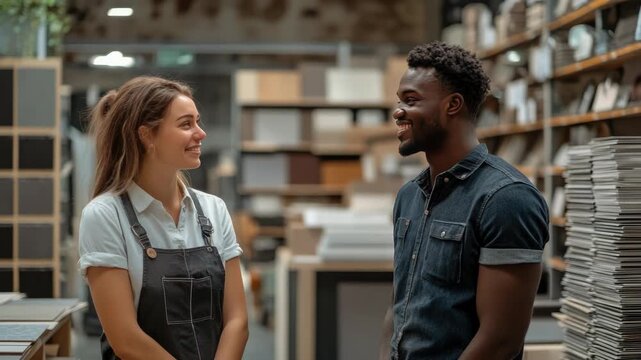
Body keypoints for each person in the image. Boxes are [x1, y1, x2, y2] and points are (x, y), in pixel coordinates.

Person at [387, 42, 549, 359]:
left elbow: (500, 341)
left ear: (453, 105)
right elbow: (399, 306)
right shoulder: (409, 196)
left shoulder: (506, 198)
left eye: (411, 100)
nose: (398, 112)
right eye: (399, 101)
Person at [78, 76, 248, 360]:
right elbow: (126, 340)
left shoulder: (214, 210)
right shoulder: (105, 216)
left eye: (198, 121)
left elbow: (237, 322)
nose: (201, 133)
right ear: (146, 135)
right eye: (186, 124)